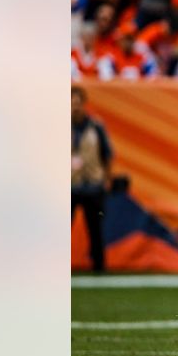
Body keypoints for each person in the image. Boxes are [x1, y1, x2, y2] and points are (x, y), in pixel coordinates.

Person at [71, 87, 113, 272]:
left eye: (77, 103)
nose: (74, 108)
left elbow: (107, 154)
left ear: (84, 104)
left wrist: (106, 178)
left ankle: (99, 266)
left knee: (95, 229)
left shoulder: (96, 126)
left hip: (93, 185)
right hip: (70, 185)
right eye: (71, 104)